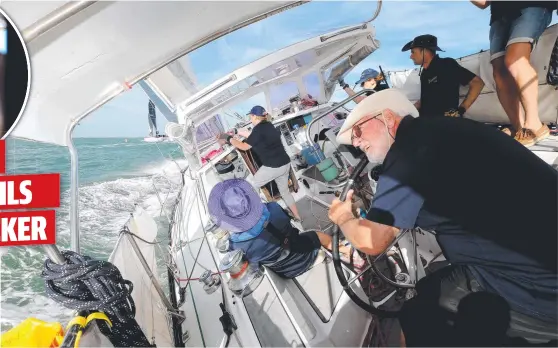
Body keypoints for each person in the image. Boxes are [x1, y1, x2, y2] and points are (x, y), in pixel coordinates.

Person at [328, 89, 557, 345]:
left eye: (358, 131)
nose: (356, 143)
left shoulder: (409, 154)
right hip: (539, 250)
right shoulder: (444, 130)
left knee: (415, 313)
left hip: (537, 288)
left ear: (388, 118)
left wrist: (343, 218)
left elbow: (372, 241)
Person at [207, 179, 364, 278]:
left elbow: (249, 263)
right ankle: (351, 255)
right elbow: (287, 224)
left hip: (286, 272)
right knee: (317, 235)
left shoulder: (236, 246)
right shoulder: (273, 208)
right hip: (305, 252)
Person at [470, 1, 555, 147]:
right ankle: (519, 126)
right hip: (499, 16)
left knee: (515, 60)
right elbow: (483, 2)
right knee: (499, 70)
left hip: (532, 5)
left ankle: (534, 124)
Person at [218, 105, 302, 224]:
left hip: (274, 167)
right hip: (285, 164)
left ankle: (255, 216)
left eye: (250, 116)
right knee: (285, 192)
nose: (250, 119)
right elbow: (254, 136)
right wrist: (237, 132)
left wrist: (229, 138)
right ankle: (298, 216)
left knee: (251, 185)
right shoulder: (268, 125)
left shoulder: (257, 131)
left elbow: (244, 146)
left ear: (254, 116)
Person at [401, 34, 485, 118]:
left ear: (424, 51)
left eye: (413, 52)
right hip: (427, 124)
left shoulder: (447, 64)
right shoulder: (424, 73)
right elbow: (426, 99)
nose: (411, 56)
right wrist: (407, 112)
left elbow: (477, 83)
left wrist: (461, 110)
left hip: (446, 124)